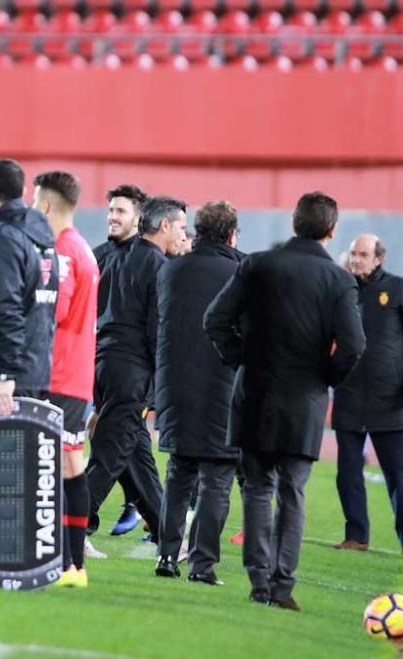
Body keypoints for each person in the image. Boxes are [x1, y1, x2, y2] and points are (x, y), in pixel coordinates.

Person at [205, 191, 365, 611]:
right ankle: (282, 587)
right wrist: (324, 379)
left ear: (294, 223)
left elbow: (215, 319)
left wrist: (241, 358)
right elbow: (353, 345)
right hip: (304, 400)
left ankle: (259, 583)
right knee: (293, 492)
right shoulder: (339, 280)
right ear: (332, 230)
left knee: (257, 489)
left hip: (255, 392)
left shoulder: (258, 264)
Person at [87, 197, 188, 541]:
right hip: (132, 372)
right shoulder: (160, 267)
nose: (183, 235)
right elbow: (156, 332)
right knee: (109, 456)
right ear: (165, 226)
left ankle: (165, 531)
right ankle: (66, 523)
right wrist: (163, 385)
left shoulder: (115, 258)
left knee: (134, 454)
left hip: (104, 364)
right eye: (182, 228)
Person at [155, 201, 243, 584]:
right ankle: (202, 565)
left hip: (175, 386)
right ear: (231, 234)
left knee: (178, 475)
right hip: (223, 388)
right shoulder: (241, 271)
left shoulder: (171, 269)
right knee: (217, 479)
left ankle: (166, 555)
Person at [331, 234, 403, 557]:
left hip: (391, 398)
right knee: (347, 472)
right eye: (353, 254)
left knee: (399, 475)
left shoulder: (400, 289)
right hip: (348, 395)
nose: (356, 259)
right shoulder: (340, 289)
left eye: (363, 254)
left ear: (379, 259)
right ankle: (356, 536)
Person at [32, 171, 99, 588]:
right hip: (77, 373)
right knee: (71, 466)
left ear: (45, 206)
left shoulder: (61, 252)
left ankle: (64, 563)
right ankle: (73, 566)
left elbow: (52, 312)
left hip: (59, 374)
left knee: (56, 469)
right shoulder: (84, 249)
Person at [91, 185, 150, 540]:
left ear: (139, 218)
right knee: (123, 444)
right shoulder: (96, 256)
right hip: (99, 367)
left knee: (118, 445)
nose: (112, 216)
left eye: (121, 211)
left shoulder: (148, 261)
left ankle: (158, 522)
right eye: (111, 210)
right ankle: (158, 522)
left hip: (130, 372)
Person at [0, 158, 59, 413]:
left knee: (1, 453)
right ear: (23, 192)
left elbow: (7, 308)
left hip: (12, 379)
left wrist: (7, 375)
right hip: (38, 368)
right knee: (30, 453)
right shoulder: (43, 237)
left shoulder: (5, 238)